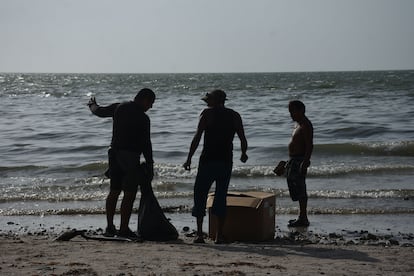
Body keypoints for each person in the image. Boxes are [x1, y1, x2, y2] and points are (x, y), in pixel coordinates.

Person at [87, 88, 155, 239]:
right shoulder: (143, 119)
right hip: (130, 157)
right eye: (151, 103)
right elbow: (146, 144)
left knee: (114, 191)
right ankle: (124, 228)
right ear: (144, 100)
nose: (151, 107)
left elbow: (99, 112)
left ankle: (110, 227)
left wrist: (92, 105)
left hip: (114, 155)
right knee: (129, 193)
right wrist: (150, 164)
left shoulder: (119, 107)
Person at [183, 89, 248, 244]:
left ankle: (199, 234)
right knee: (221, 196)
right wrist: (244, 153)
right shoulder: (234, 115)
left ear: (214, 100)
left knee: (200, 194)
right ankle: (219, 235)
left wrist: (189, 158)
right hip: (225, 161)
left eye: (208, 100)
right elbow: (242, 137)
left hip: (207, 160)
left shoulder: (207, 114)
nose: (206, 102)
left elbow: (197, 137)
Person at [282, 100, 314, 227]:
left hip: (300, 160)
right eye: (290, 111)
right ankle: (301, 216)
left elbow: (309, 145)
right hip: (293, 159)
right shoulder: (298, 124)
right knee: (295, 187)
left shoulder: (306, 125)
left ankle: (303, 217)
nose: (291, 114)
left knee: (301, 189)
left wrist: (305, 163)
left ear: (301, 110)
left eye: (293, 111)